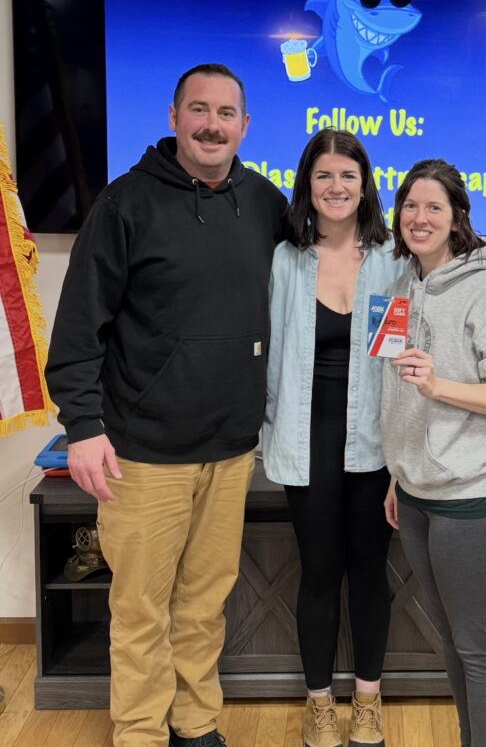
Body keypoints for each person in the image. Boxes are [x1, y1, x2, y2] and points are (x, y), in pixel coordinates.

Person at [45, 63, 288, 747]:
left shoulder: (264, 202)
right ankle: (141, 732)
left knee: (204, 603)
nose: (212, 125)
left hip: (231, 450)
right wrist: (83, 428)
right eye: (199, 110)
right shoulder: (124, 205)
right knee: (141, 609)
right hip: (142, 454)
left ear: (245, 125)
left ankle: (194, 720)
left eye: (226, 113)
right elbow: (78, 330)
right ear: (174, 116)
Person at [380, 159, 486, 747]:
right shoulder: (402, 286)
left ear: (457, 218)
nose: (419, 218)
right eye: (410, 206)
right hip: (415, 494)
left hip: (472, 496)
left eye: (434, 207)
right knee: (449, 637)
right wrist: (397, 473)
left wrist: (439, 386)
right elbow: (397, 395)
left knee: (477, 644)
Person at [263, 129, 404, 747]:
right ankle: (319, 704)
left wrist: (405, 455)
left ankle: (368, 702)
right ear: (308, 185)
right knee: (319, 573)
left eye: (348, 175)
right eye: (324, 175)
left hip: (375, 440)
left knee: (370, 571)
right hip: (305, 439)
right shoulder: (286, 260)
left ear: (365, 185)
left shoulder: (394, 260)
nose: (336, 186)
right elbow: (269, 357)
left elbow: (402, 358)